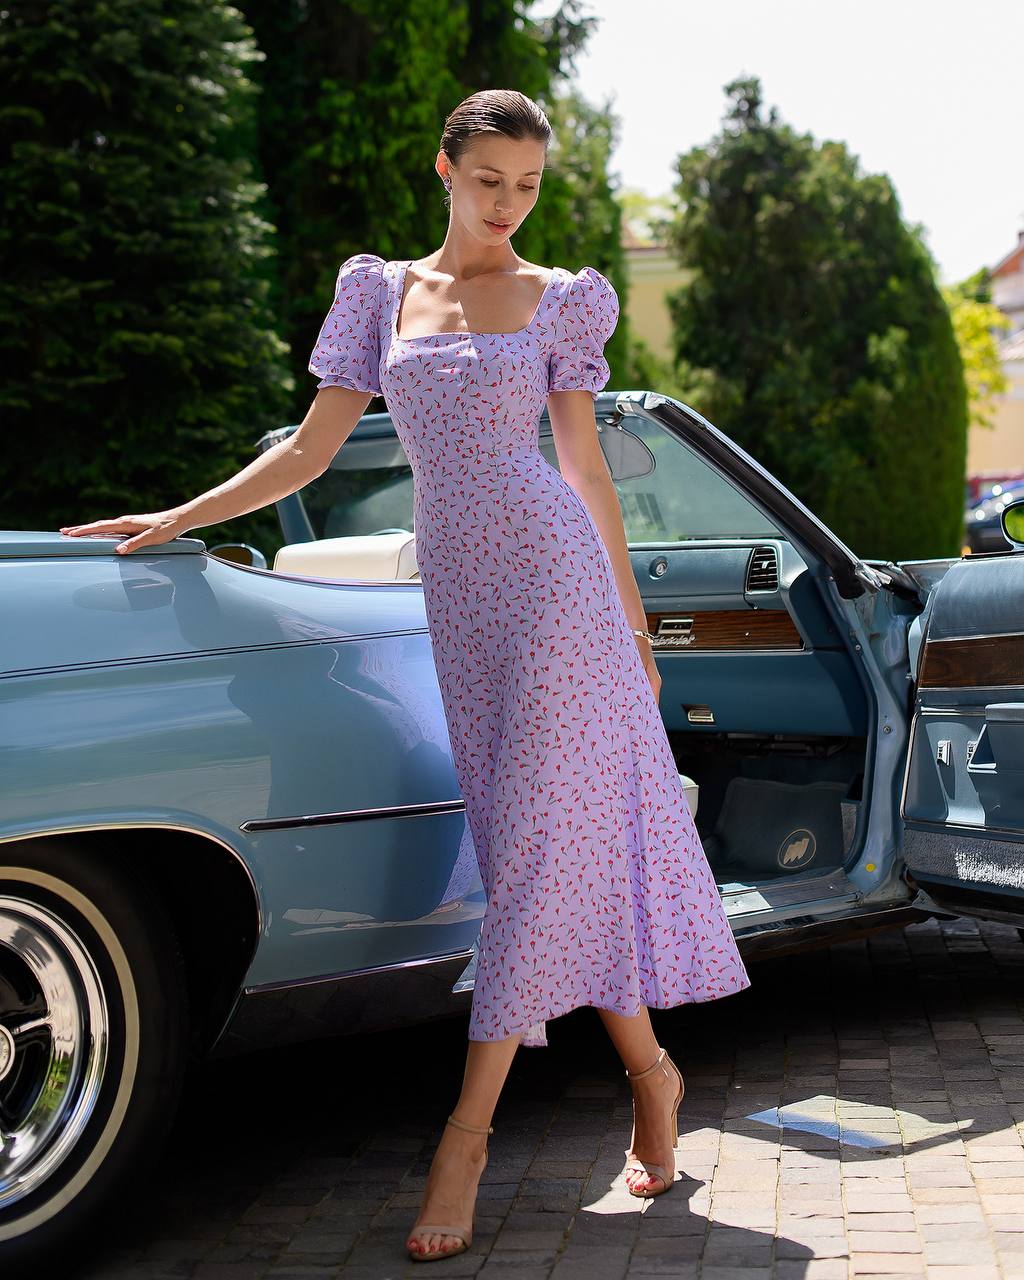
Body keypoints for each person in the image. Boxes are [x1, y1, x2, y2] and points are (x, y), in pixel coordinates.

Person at [60, 87, 752, 1266]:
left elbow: (584, 468)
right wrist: (181, 512)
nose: (507, 205)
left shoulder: (561, 297)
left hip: (558, 595)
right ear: (444, 167)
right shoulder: (379, 292)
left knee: (536, 851)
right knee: (538, 851)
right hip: (464, 607)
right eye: (489, 181)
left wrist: (635, 633)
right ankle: (652, 1073)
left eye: (527, 186)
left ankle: (464, 1139)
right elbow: (311, 448)